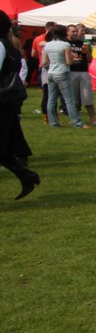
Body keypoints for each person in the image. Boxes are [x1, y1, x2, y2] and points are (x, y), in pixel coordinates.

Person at [0, 11, 37, 199]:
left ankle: (26, 175)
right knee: (4, 147)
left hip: (2, 101)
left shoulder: (1, 45)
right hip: (6, 101)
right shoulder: (7, 44)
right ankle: (26, 175)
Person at [41, 25, 86, 129]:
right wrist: (73, 58)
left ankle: (53, 123)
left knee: (51, 100)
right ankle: (77, 123)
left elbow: (44, 62)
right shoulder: (65, 45)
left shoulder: (47, 45)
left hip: (51, 73)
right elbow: (69, 62)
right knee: (69, 100)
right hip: (62, 72)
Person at [67, 23, 96, 126]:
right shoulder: (65, 43)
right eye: (73, 31)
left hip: (84, 71)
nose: (75, 33)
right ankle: (75, 119)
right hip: (71, 72)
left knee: (87, 96)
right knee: (74, 98)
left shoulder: (82, 43)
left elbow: (90, 60)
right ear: (67, 32)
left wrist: (87, 52)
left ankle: (93, 119)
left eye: (76, 31)